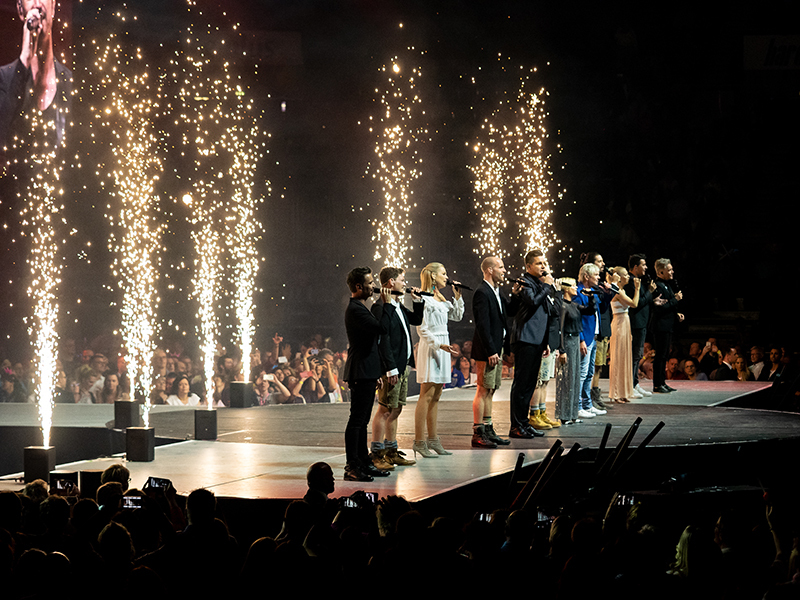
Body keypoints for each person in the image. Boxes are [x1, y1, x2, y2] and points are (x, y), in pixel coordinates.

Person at [368, 266, 424, 470]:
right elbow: (383, 339)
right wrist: (390, 368)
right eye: (402, 280)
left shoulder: (398, 305)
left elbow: (416, 320)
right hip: (391, 368)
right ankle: (376, 453)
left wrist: (418, 301)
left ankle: (391, 451)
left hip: (403, 366)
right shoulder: (381, 306)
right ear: (391, 282)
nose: (405, 283)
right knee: (384, 409)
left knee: (396, 408)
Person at [0, 0, 72, 150]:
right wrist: (25, 59)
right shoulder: (3, 79)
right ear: (20, 10)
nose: (38, 4)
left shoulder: (71, 83)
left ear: (53, 6)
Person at [342, 267, 391, 481]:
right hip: (359, 369)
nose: (373, 286)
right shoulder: (356, 309)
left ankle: (363, 461)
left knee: (362, 421)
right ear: (358, 286)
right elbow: (381, 328)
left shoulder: (361, 307)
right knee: (357, 420)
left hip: (366, 369)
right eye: (370, 283)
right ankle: (352, 465)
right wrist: (385, 304)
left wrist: (375, 372)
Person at [414, 262, 464, 457]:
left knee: (436, 396)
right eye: (444, 273)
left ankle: (433, 439)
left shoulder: (440, 298)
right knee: (426, 395)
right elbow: (421, 328)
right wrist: (438, 344)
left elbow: (458, 316)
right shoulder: (423, 298)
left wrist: (458, 296)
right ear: (433, 276)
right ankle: (419, 441)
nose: (447, 276)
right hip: (432, 345)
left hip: (444, 344)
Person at [508, 249, 556, 438]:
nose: (544, 266)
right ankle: (516, 426)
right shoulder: (525, 282)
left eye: (545, 263)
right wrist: (547, 286)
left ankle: (524, 423)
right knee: (521, 384)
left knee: (530, 385)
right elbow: (533, 302)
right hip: (525, 339)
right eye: (539, 263)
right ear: (528, 266)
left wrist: (545, 341)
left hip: (536, 339)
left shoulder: (538, 282)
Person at [470, 256, 517, 448]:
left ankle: (488, 429)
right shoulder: (482, 292)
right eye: (501, 267)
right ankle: (478, 432)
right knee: (482, 389)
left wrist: (515, 294)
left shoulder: (497, 291)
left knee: (491, 389)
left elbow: (509, 313)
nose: (504, 271)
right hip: (486, 349)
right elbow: (482, 324)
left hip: (496, 347)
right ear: (489, 270)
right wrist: (490, 350)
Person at [555, 277, 596, 424]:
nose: (575, 288)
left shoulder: (575, 305)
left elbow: (590, 311)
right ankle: (564, 415)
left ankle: (573, 414)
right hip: (567, 341)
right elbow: (560, 329)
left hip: (575, 341)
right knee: (566, 379)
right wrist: (562, 349)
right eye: (572, 286)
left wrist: (591, 298)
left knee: (574, 379)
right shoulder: (563, 306)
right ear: (566, 288)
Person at [627, 253, 663, 398]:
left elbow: (644, 301)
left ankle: (635, 383)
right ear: (635, 267)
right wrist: (650, 292)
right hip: (635, 323)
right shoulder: (631, 282)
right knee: (635, 356)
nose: (646, 267)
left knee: (637, 356)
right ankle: (631, 385)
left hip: (641, 323)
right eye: (643, 265)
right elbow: (637, 304)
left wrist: (653, 300)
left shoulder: (638, 280)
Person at [607, 266, 641, 403]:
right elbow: (634, 303)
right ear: (619, 277)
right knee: (618, 358)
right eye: (626, 275)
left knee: (625, 357)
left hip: (625, 323)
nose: (628, 277)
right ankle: (616, 393)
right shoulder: (617, 291)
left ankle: (624, 392)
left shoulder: (622, 290)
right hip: (619, 324)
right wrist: (637, 289)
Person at [651, 258, 684, 393]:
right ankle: (657, 384)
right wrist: (675, 300)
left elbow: (667, 306)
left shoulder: (667, 285)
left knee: (664, 355)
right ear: (661, 271)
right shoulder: (658, 286)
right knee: (660, 356)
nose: (672, 272)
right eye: (669, 270)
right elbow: (659, 308)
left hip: (667, 325)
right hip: (660, 326)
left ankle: (662, 382)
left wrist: (676, 315)